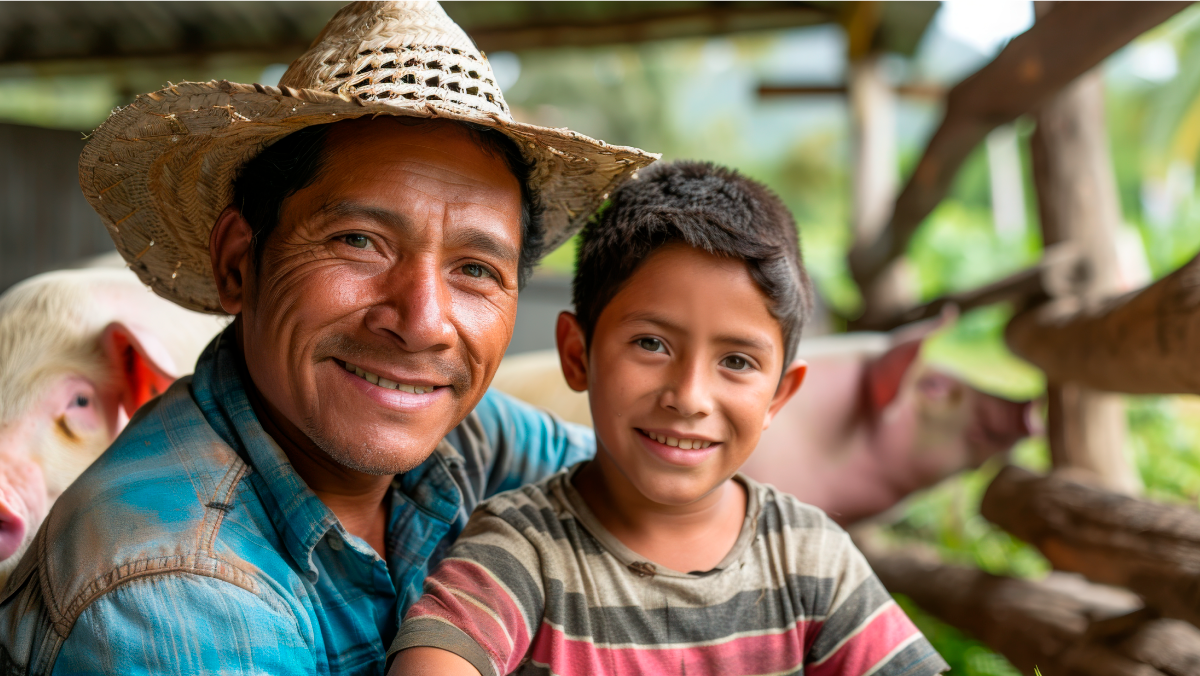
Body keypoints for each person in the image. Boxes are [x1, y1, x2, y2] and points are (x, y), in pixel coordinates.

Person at [0, 0, 657, 674]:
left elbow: (653, 495)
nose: (424, 321)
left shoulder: (459, 433)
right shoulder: (173, 593)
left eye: (475, 269)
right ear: (238, 263)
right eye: (358, 241)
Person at [387, 162, 951, 676]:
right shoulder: (521, 552)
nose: (689, 397)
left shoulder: (810, 558)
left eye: (736, 361)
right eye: (652, 344)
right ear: (578, 355)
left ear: (780, 395)